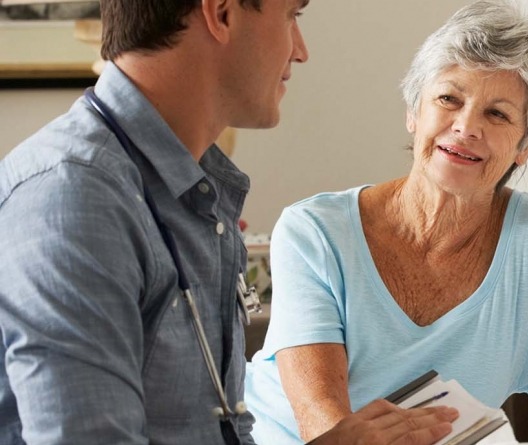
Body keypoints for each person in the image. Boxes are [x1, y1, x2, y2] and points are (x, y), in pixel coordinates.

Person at [0, 0, 456, 444]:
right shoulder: (73, 202)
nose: (301, 49)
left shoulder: (200, 192)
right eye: (291, 16)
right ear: (221, 13)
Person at [242, 1, 528, 443]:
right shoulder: (313, 232)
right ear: (413, 113)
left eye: (497, 114)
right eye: (449, 99)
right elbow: (326, 426)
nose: (466, 127)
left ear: (524, 146)